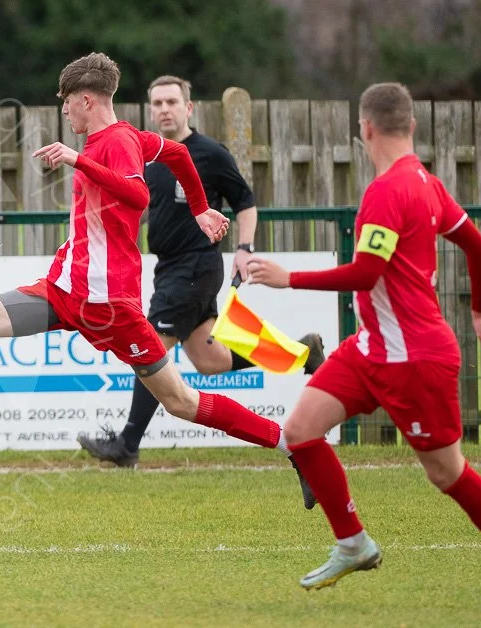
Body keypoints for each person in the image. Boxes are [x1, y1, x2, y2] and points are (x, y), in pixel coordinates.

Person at [0, 54, 310, 501]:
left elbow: (136, 196)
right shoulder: (128, 137)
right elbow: (175, 155)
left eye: (66, 102)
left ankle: (291, 443)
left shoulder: (112, 145)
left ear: (86, 99)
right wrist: (199, 209)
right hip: (66, 289)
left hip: (109, 303)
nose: (63, 111)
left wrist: (78, 161)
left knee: (181, 402)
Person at [246, 82, 481, 609]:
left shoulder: (389, 191)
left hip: (415, 357)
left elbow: (365, 273)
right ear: (411, 126)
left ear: (365, 128)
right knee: (301, 430)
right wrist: (479, 308)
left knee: (445, 472)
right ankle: (353, 542)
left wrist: (287, 278)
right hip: (372, 348)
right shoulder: (425, 182)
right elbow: (476, 244)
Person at [79, 75, 325, 477]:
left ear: (188, 108)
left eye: (172, 102)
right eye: (156, 103)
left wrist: (244, 250)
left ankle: (127, 443)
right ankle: (302, 352)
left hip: (197, 266)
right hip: (168, 268)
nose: (164, 109)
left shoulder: (209, 153)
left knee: (150, 345)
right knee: (209, 360)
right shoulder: (147, 153)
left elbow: (245, 203)